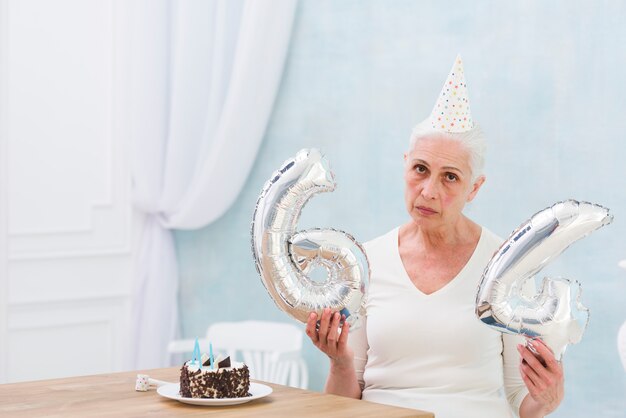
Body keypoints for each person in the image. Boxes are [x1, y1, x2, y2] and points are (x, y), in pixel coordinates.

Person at [305, 56, 564, 418]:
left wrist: (548, 398)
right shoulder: (366, 261)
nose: (428, 191)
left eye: (450, 177)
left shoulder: (506, 264)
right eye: (420, 169)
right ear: (405, 164)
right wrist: (339, 363)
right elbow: (343, 404)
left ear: (475, 188)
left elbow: (523, 402)